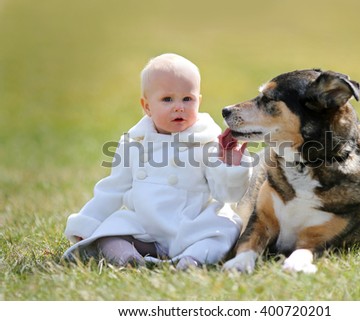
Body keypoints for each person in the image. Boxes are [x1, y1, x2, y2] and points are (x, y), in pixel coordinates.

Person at [63, 53, 250, 270]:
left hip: (192, 224)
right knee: (109, 233)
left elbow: (226, 195)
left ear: (199, 101)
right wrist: (87, 223)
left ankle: (192, 260)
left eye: (187, 99)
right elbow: (112, 189)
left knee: (224, 229)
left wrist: (229, 165)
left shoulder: (208, 142)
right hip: (146, 228)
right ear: (147, 106)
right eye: (167, 99)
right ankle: (129, 258)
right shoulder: (134, 142)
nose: (179, 106)